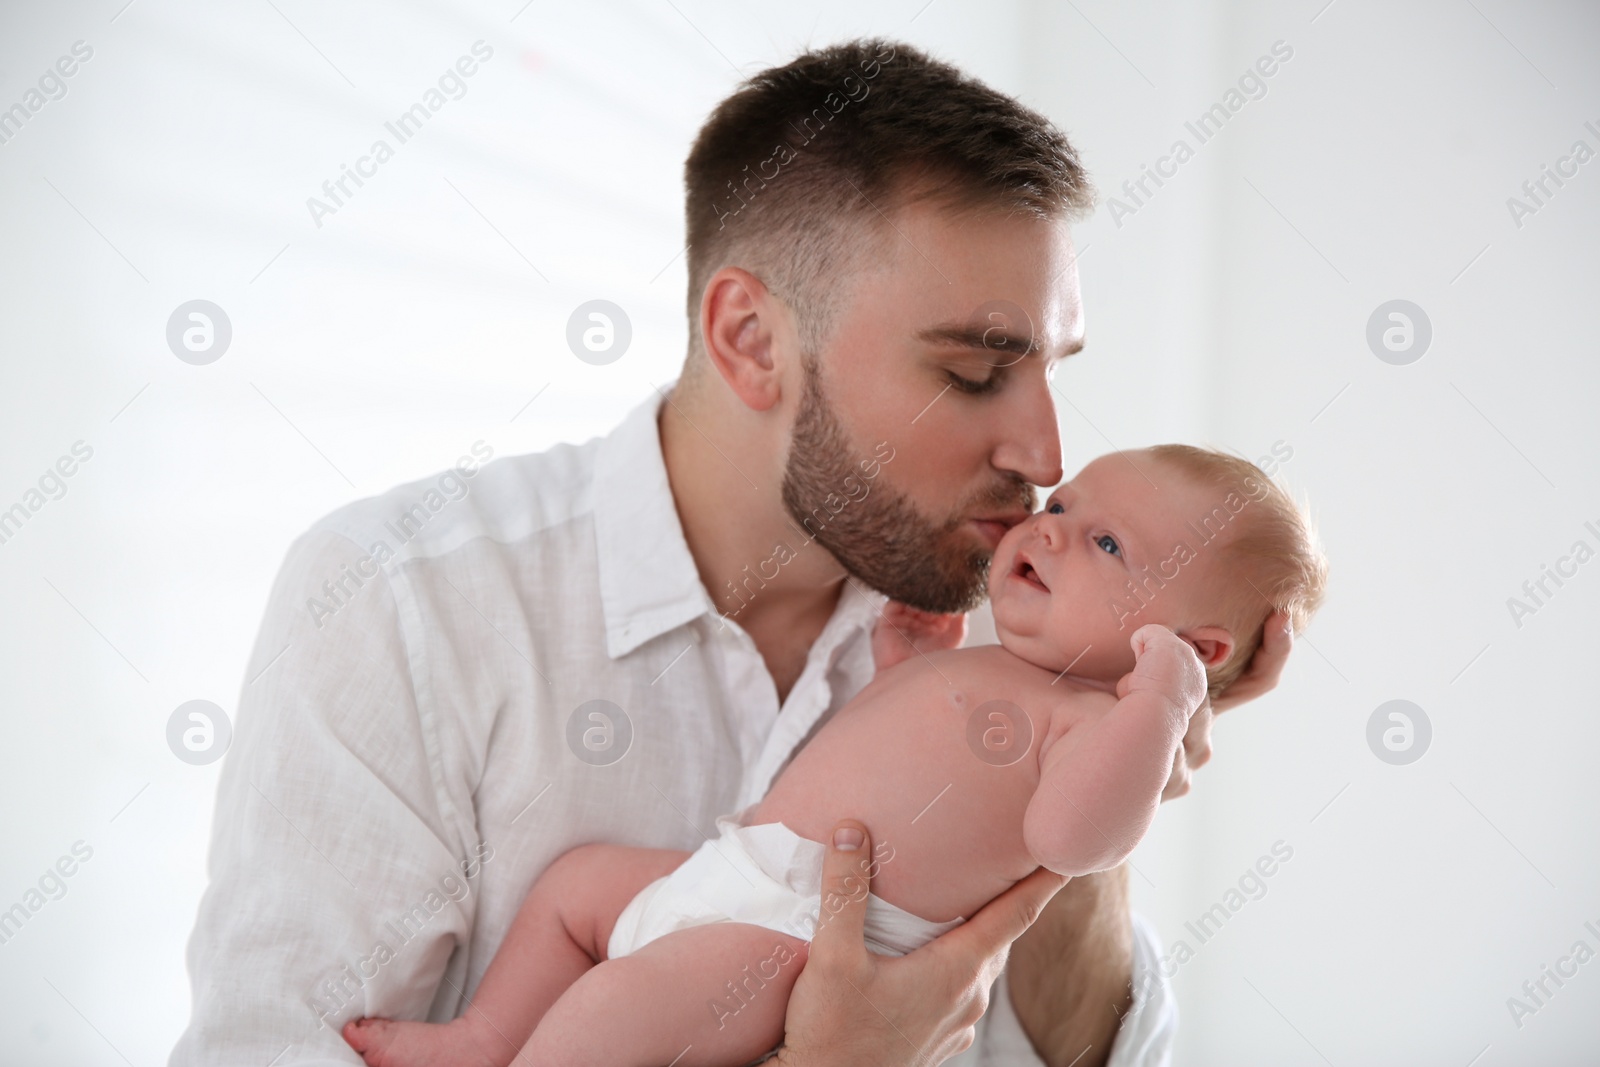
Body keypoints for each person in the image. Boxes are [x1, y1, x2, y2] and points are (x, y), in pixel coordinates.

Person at [170, 38, 1293, 1067]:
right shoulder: (400, 602)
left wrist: (1119, 717)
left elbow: (1079, 1051)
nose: (1044, 449)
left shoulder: (1022, 609)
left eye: (1054, 366)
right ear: (751, 341)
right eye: (970, 370)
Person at [339, 446, 1326, 1067]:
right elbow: (883, 757)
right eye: (1064, 506)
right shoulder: (996, 659)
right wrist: (898, 667)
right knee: (575, 883)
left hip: (801, 947)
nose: (1052, 528)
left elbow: (1070, 838)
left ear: (1190, 650)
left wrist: (1157, 717)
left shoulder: (1091, 722)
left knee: (622, 1003)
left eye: (1107, 543)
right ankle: (486, 1035)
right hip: (730, 870)